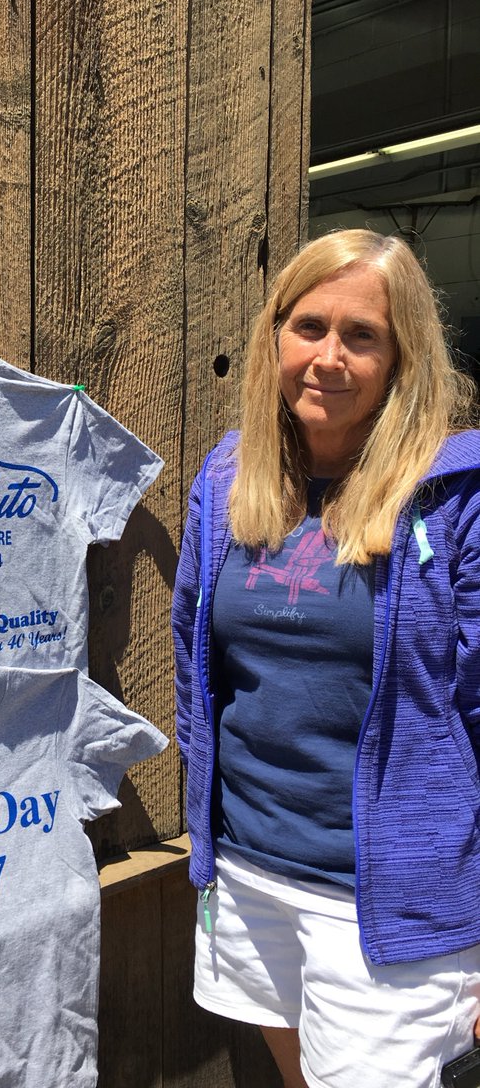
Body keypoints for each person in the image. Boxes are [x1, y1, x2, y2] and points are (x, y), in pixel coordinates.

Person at [172, 229, 480, 1088]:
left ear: (401, 356)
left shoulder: (459, 499)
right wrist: (207, 831)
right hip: (249, 871)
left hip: (388, 899)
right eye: (309, 326)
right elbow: (198, 675)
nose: (328, 357)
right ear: (276, 334)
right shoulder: (230, 479)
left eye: (362, 335)